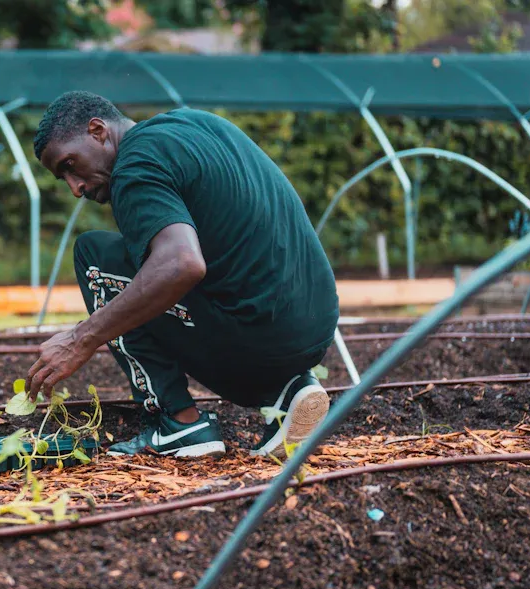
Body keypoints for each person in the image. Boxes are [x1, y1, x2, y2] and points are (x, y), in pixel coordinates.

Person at [25, 91, 339, 459]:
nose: (75, 187)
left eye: (69, 165)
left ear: (98, 131)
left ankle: (177, 423)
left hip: (261, 342)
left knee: (94, 257)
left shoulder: (133, 167)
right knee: (155, 268)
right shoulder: (195, 125)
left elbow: (181, 264)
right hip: (314, 331)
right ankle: (289, 389)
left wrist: (81, 338)